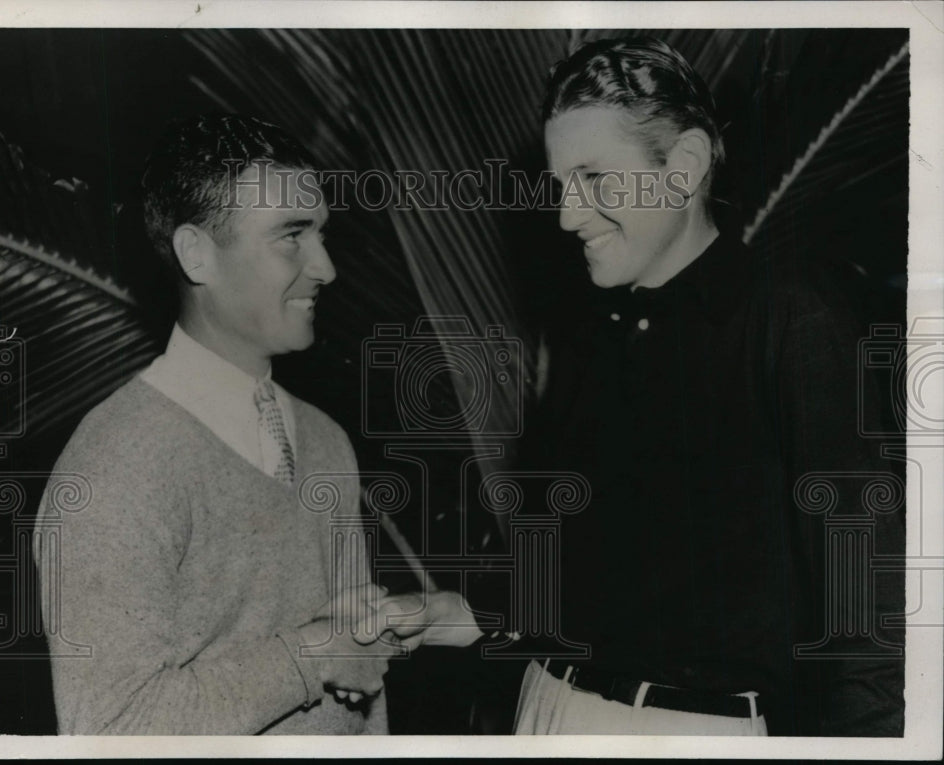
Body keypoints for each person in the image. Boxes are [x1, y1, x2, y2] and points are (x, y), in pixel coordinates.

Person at [379, 37, 905, 736]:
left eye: (594, 178)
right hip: (544, 705)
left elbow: (862, 606)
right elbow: (604, 570)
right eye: (561, 184)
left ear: (683, 166)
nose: (567, 215)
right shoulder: (590, 330)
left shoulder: (792, 319)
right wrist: (473, 612)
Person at [33, 114, 399, 735]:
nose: (326, 267)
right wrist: (314, 655)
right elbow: (109, 731)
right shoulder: (115, 468)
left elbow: (361, 696)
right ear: (196, 254)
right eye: (291, 235)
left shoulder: (325, 439)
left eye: (321, 233)